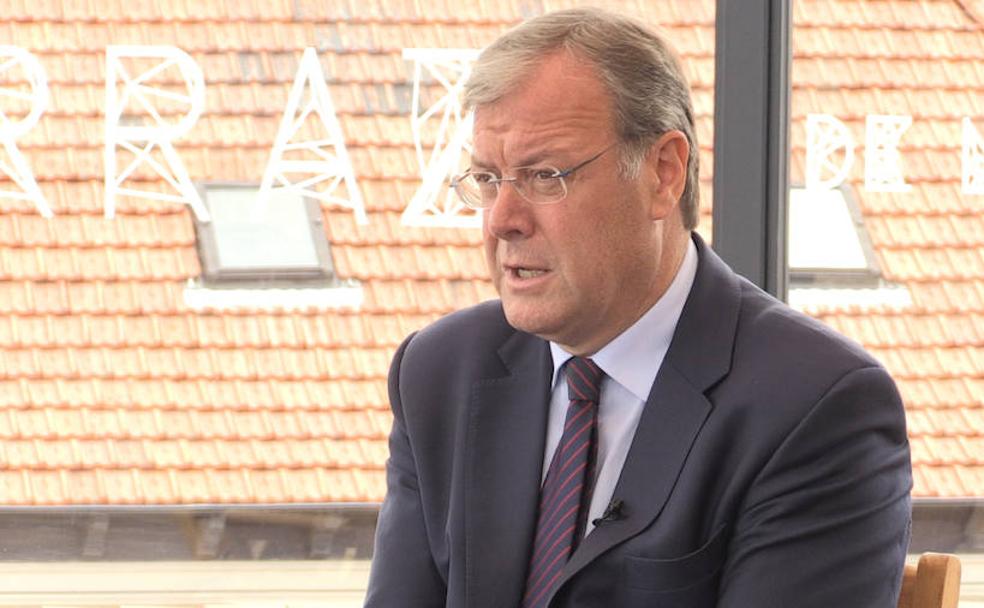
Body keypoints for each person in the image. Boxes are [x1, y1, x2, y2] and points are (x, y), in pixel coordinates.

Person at [365, 8, 912, 608]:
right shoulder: (440, 371)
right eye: (488, 179)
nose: (502, 221)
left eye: (545, 176)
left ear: (663, 173)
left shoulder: (816, 406)